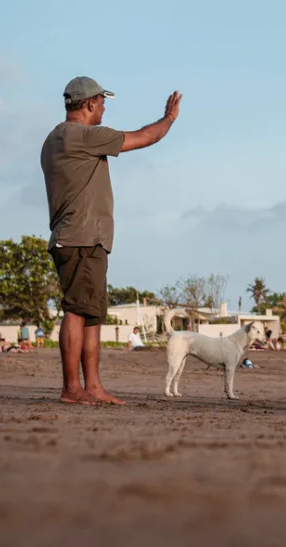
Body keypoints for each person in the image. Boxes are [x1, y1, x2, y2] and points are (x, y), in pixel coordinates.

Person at [40, 76, 182, 405]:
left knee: (91, 314)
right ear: (89, 104)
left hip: (79, 237)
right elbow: (147, 137)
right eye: (102, 102)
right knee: (77, 311)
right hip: (81, 237)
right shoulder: (84, 136)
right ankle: (72, 389)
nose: (104, 107)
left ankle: (92, 387)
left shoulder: (54, 138)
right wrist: (169, 119)